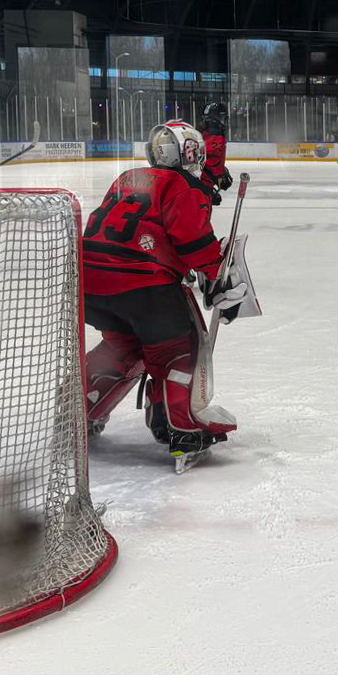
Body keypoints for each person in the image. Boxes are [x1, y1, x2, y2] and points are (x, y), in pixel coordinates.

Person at [80, 120, 255, 466]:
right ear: (191, 152)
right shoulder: (181, 185)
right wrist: (217, 275)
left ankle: (79, 411)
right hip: (142, 285)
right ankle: (180, 429)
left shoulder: (128, 177)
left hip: (90, 282)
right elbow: (191, 239)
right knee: (177, 349)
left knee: (123, 345)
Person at [199, 102, 233, 203]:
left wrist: (223, 173)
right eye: (221, 117)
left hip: (205, 184)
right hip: (201, 186)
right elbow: (200, 163)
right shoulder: (214, 136)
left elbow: (212, 161)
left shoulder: (205, 135)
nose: (223, 121)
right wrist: (205, 189)